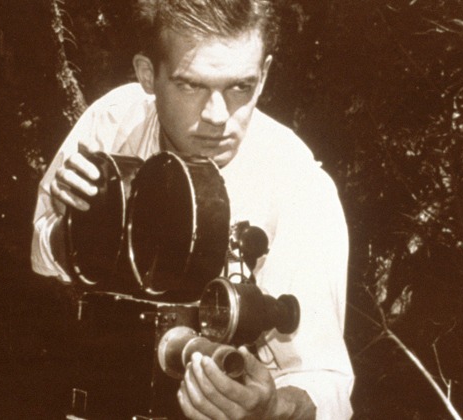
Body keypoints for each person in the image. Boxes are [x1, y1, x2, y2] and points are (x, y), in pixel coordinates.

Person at [31, 0, 353, 418]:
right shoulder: (111, 124)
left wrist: (272, 408)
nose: (217, 116)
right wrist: (75, 229)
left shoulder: (297, 186)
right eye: (190, 86)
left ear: (264, 75)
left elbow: (325, 381)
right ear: (148, 75)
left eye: (240, 87)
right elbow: (42, 258)